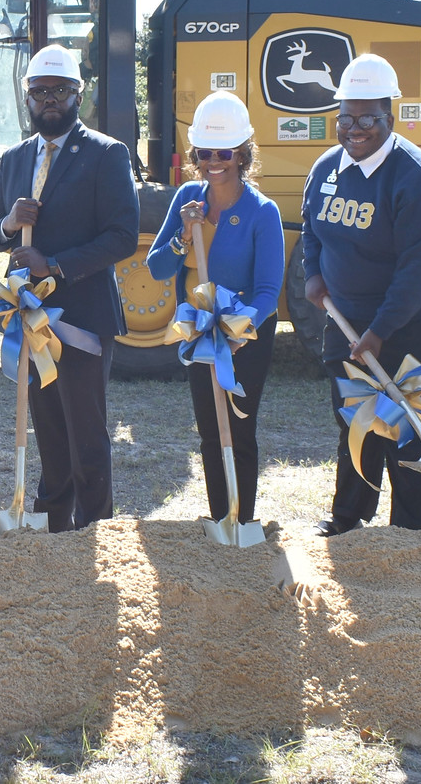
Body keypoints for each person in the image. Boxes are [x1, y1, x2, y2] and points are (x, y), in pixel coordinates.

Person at [300, 53, 421, 534]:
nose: (356, 128)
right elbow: (312, 226)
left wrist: (380, 332)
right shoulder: (326, 167)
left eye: (369, 117)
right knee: (356, 417)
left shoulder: (420, 180)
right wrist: (314, 273)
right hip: (349, 318)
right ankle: (348, 517)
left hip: (419, 322)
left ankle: (410, 530)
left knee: (412, 424)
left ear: (389, 117)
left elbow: (420, 272)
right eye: (346, 118)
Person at [0, 43, 140, 532]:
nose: (50, 99)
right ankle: (53, 526)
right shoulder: (14, 158)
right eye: (40, 91)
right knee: (46, 427)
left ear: (78, 95)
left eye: (60, 91)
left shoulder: (107, 154)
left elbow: (122, 236)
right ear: (27, 96)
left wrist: (56, 265)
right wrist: (8, 223)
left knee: (85, 431)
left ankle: (95, 530)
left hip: (82, 317)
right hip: (30, 319)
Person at [145, 90, 283, 525]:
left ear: (244, 154)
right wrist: (183, 235)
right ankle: (219, 516)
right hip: (202, 329)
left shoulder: (263, 211)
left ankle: (243, 520)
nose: (214, 162)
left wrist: (239, 332)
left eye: (225, 152)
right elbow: (156, 268)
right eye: (205, 153)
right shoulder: (188, 197)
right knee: (209, 429)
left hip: (246, 334)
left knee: (238, 428)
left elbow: (267, 291)